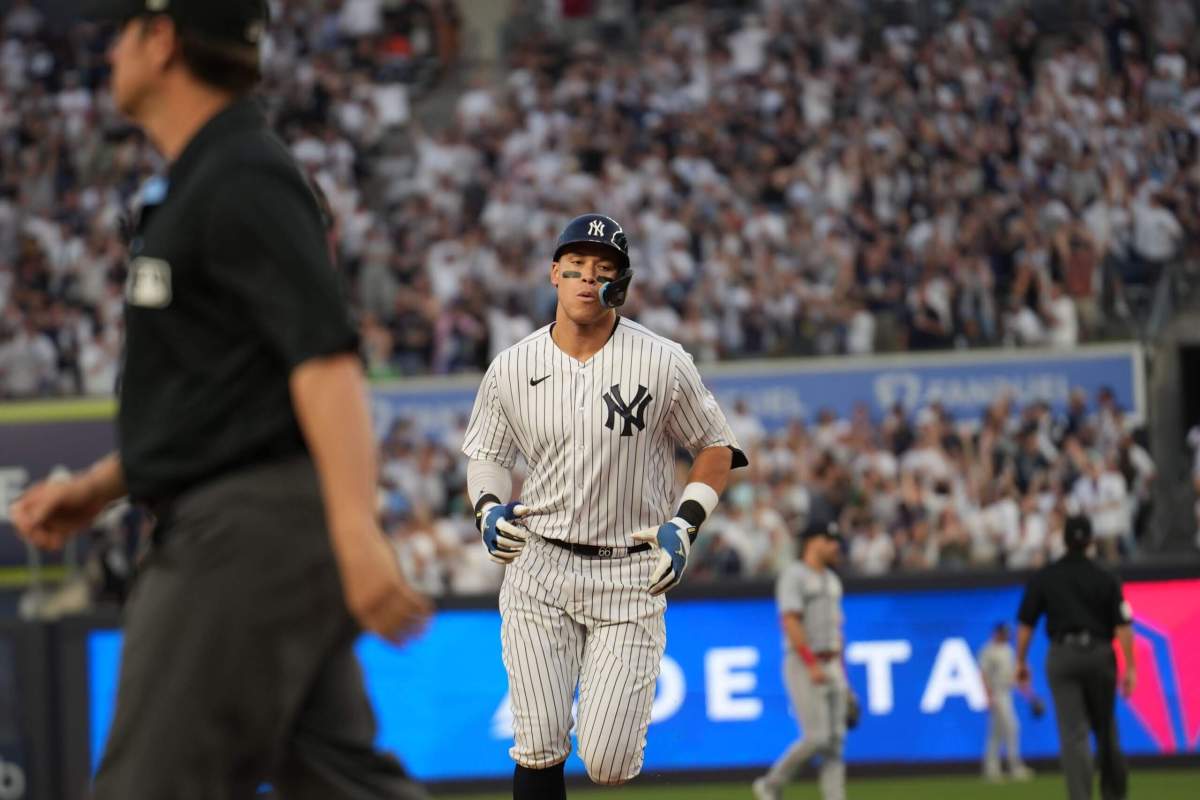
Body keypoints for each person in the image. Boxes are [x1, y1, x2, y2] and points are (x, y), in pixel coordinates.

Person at [8, 2, 431, 797]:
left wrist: (358, 531)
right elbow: (218, 400)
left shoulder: (242, 172)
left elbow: (325, 360)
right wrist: (97, 489)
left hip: (242, 534)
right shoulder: (204, 178)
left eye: (121, 32)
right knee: (341, 782)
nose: (109, 53)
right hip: (260, 524)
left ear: (161, 39)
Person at [461, 212, 747, 798]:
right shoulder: (512, 366)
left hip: (629, 571)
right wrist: (488, 507)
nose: (588, 279)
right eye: (578, 267)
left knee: (609, 760)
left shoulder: (662, 360)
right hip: (539, 565)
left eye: (604, 269)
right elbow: (487, 454)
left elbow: (716, 448)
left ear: (623, 282)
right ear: (554, 275)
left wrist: (684, 525)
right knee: (538, 742)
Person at [1016, 515, 1135, 800]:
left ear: (1064, 540)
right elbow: (1123, 625)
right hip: (1100, 655)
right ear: (1090, 541)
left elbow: (1026, 624)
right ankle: (1114, 795)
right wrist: (1130, 667)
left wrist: (1020, 661)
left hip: (1063, 655)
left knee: (1073, 735)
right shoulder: (1105, 576)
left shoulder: (1046, 576)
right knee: (1106, 731)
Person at [753, 520, 852, 800]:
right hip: (803, 661)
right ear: (813, 542)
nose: (835, 546)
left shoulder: (832, 579)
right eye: (829, 540)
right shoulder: (794, 575)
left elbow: (837, 630)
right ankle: (770, 784)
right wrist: (811, 662)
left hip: (832, 661)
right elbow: (790, 621)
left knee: (835, 743)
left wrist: (845, 679)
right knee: (816, 738)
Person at [977, 622, 1034, 782]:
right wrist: (988, 696)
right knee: (1012, 727)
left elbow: (1015, 674)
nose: (1006, 636)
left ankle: (992, 769)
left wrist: (1029, 694)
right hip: (997, 693)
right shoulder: (988, 650)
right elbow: (983, 674)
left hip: (1008, 692)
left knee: (995, 733)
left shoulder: (1008, 650)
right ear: (997, 633)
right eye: (1003, 633)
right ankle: (1014, 766)